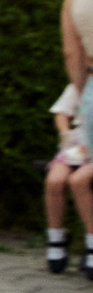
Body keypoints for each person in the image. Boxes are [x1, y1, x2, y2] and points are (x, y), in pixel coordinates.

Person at [44, 82, 89, 277]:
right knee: (55, 180)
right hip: (77, 146)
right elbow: (62, 113)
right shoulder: (79, 85)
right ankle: (56, 239)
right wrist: (65, 134)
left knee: (78, 180)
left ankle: (91, 243)